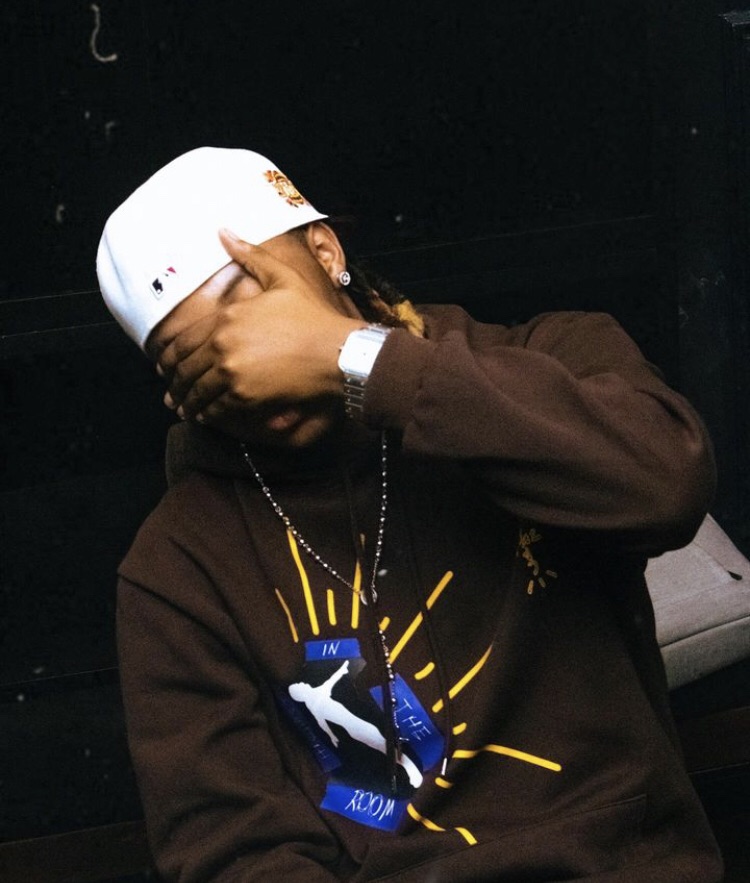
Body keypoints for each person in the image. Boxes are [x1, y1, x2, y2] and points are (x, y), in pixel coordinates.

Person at [97, 146, 724, 882]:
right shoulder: (177, 566)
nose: (240, 356)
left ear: (326, 252)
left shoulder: (550, 357)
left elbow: (667, 484)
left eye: (252, 301)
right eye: (195, 355)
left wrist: (355, 357)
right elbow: (233, 850)